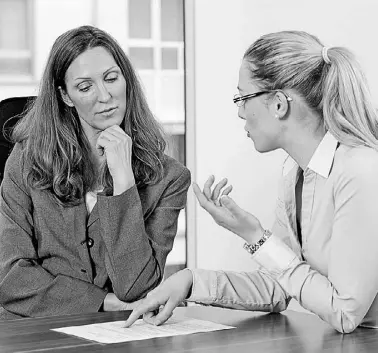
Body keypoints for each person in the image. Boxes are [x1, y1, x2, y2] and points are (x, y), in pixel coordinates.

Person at [124, 30, 378, 334]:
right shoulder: (294, 174)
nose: (240, 111)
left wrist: (256, 236)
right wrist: (191, 281)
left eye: (243, 97)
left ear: (279, 104)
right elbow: (279, 285)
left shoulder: (359, 171)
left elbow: (344, 312)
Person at [0, 25, 191, 319]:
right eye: (85, 87)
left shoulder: (169, 178)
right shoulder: (27, 159)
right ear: (65, 96)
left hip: (117, 335)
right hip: (32, 331)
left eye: (111, 78)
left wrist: (124, 181)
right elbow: (10, 278)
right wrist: (103, 302)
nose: (105, 96)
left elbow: (135, 288)